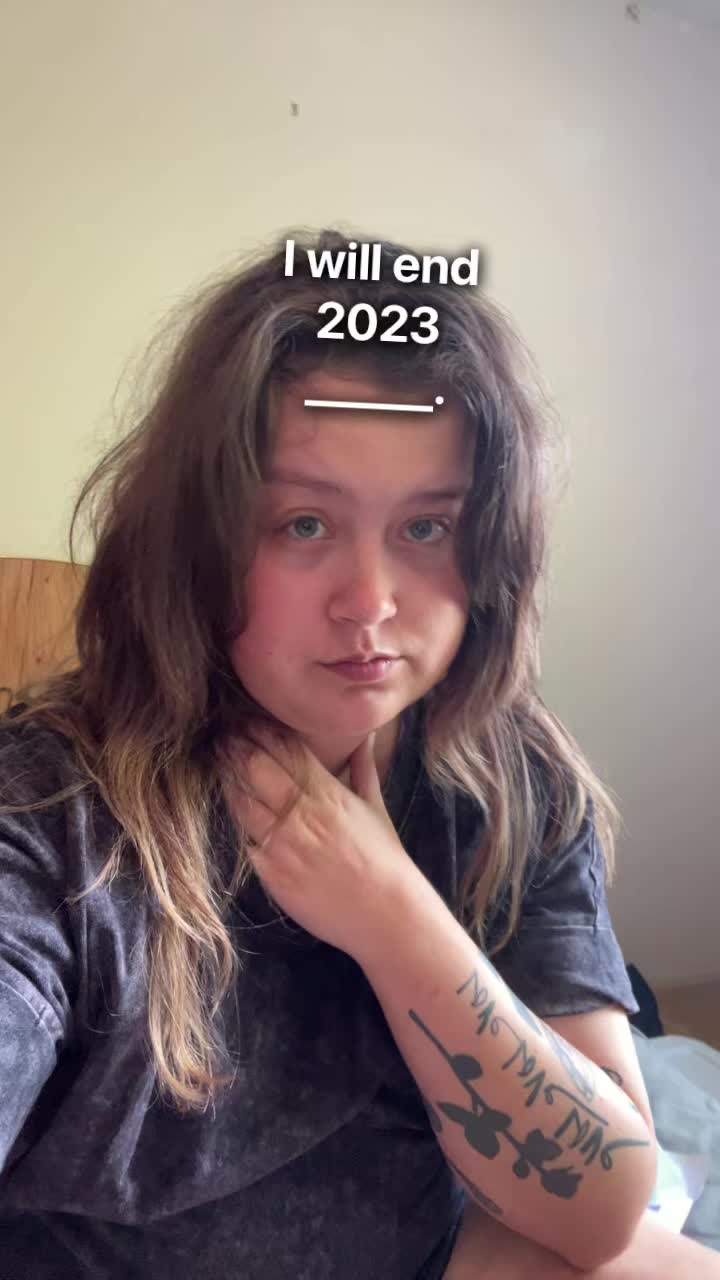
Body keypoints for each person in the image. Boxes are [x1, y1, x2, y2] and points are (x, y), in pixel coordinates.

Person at [1, 229, 716, 1279]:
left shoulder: (511, 777)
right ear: (198, 540)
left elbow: (602, 1207)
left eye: (427, 529)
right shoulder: (51, 811)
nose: (371, 604)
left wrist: (388, 913)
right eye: (304, 523)